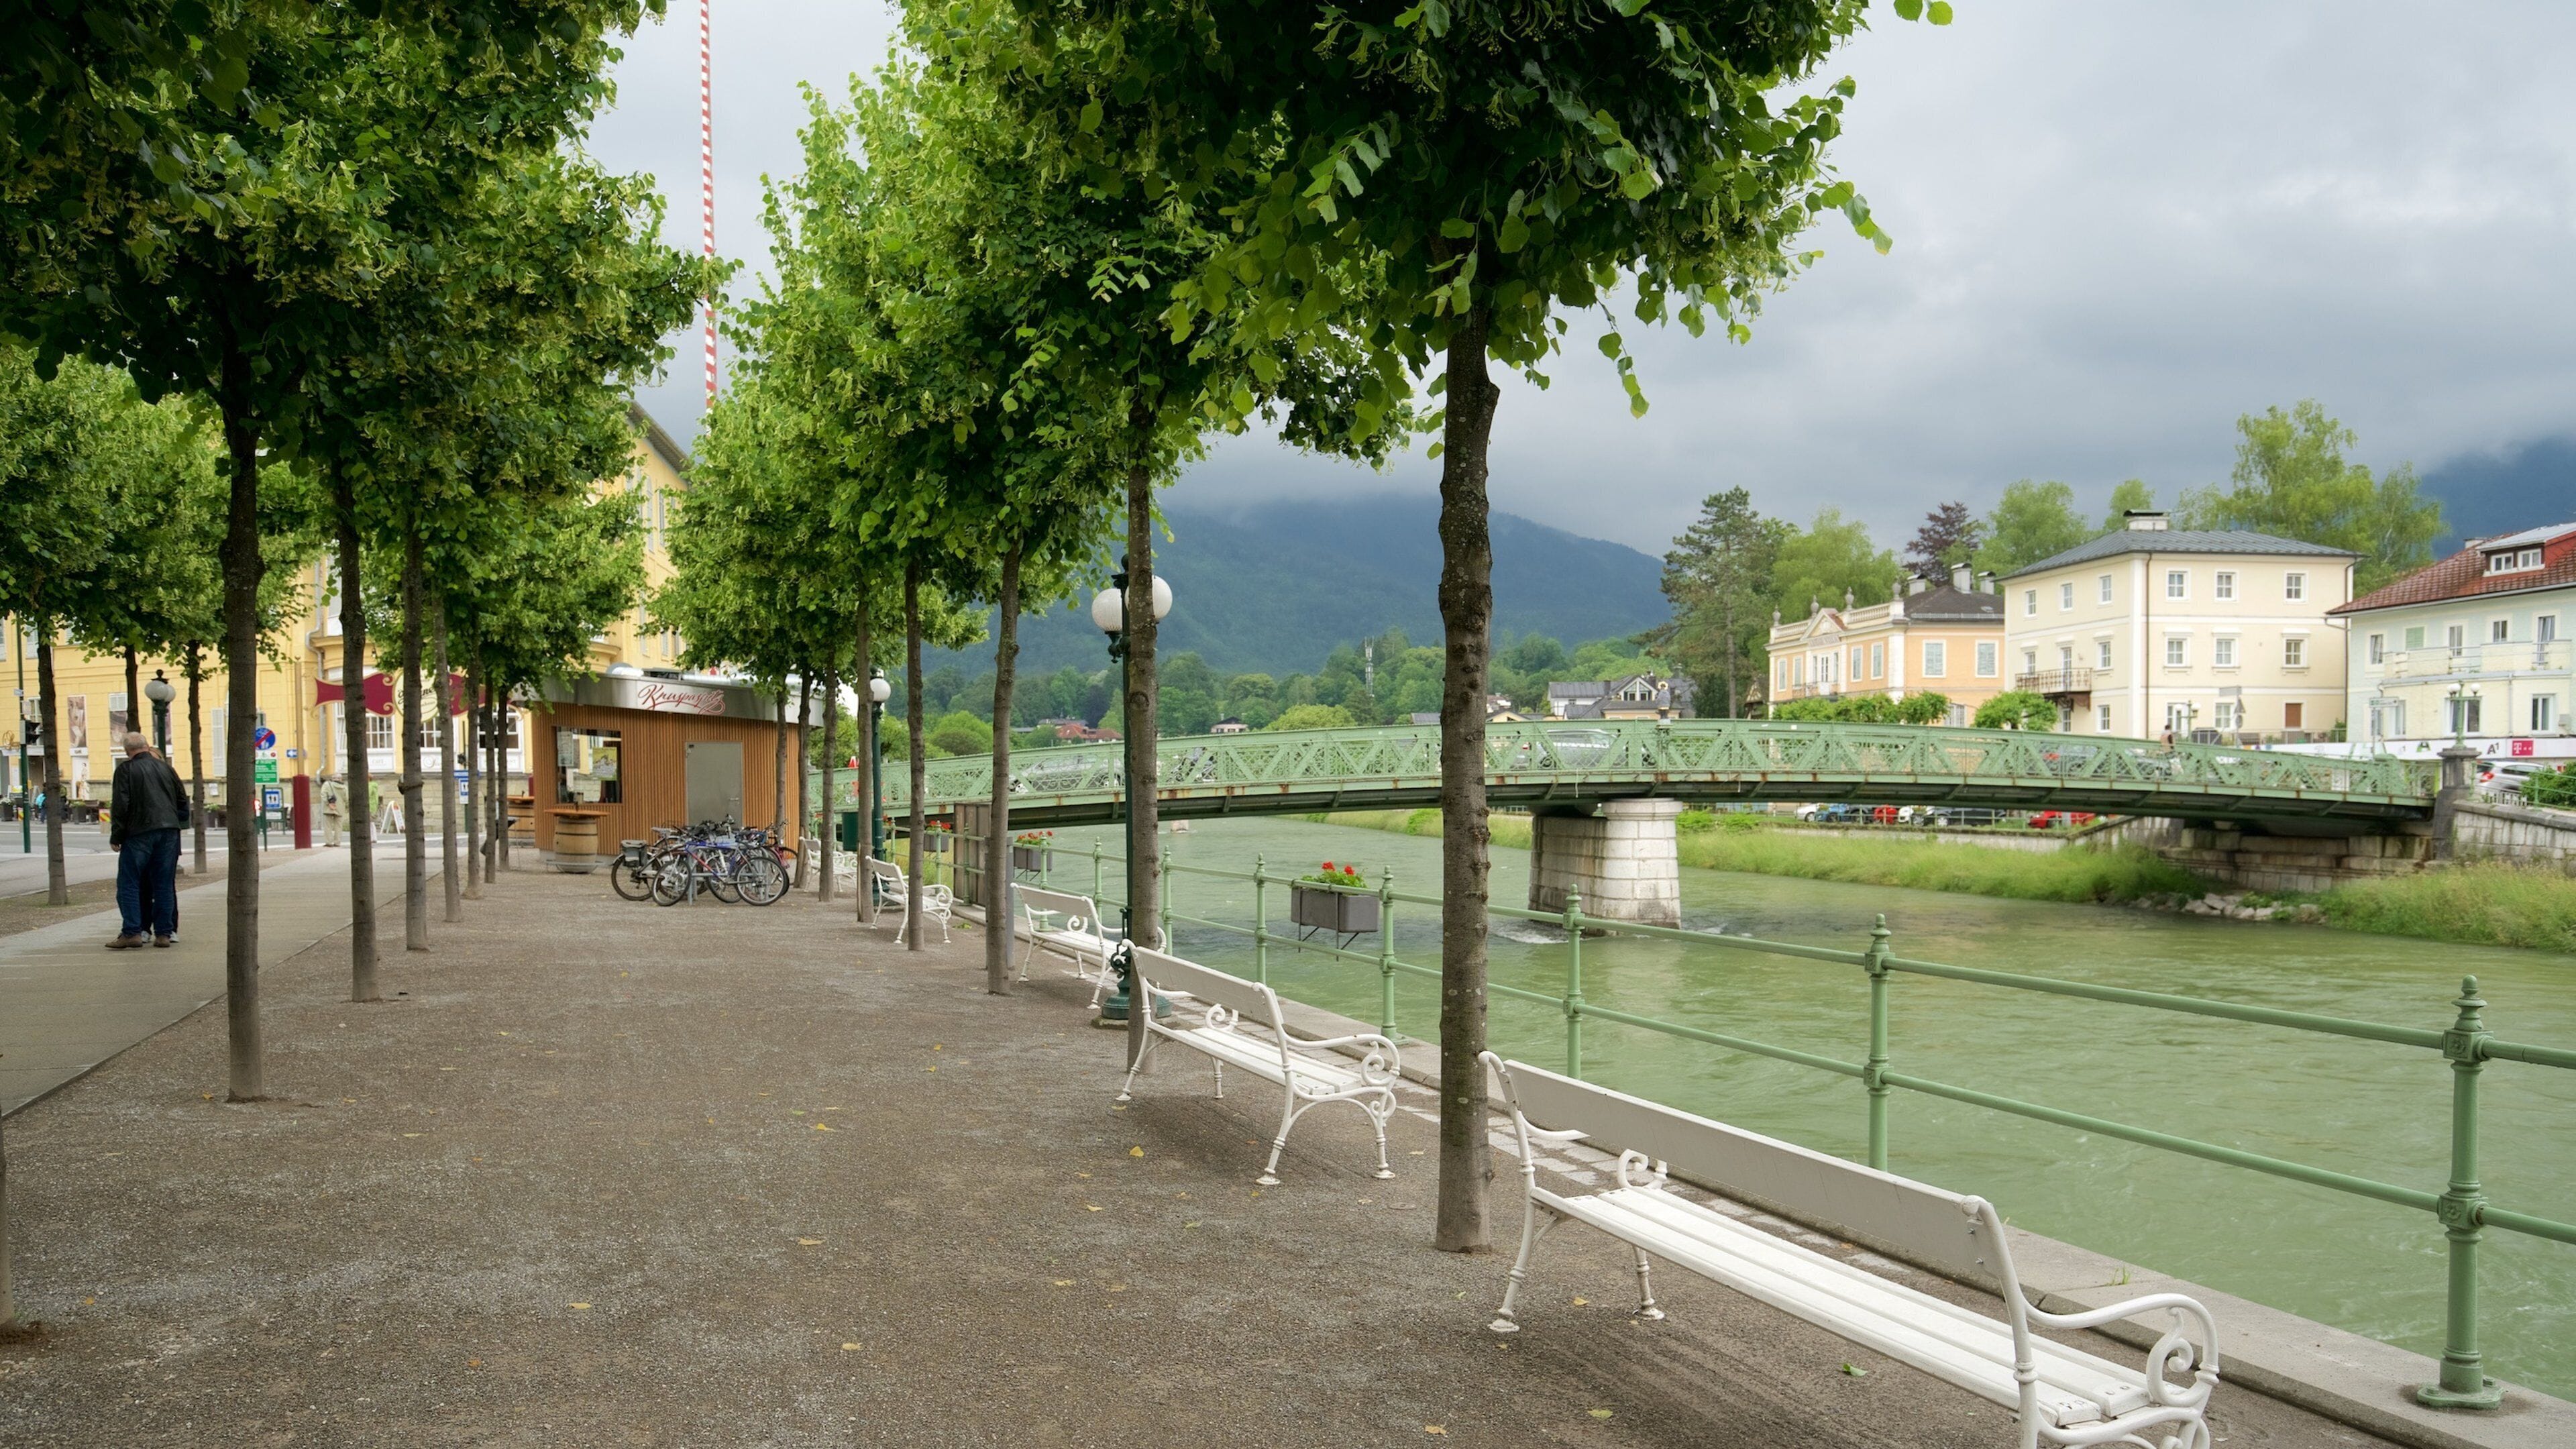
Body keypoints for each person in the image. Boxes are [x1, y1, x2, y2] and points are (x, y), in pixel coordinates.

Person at [107, 731, 189, 949]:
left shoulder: (126, 770)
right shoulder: (166, 768)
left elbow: (121, 805)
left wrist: (117, 835)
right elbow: (182, 800)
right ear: (147, 745)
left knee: (129, 882)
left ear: (126, 751)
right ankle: (164, 933)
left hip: (139, 831)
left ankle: (132, 931)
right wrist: (175, 821)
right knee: (163, 884)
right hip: (169, 831)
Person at [318, 773, 348, 847]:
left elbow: (323, 795)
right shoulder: (344, 787)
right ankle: (337, 842)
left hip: (329, 807)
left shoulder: (327, 785)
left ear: (332, 778)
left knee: (328, 826)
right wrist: (346, 807)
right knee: (338, 826)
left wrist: (328, 804)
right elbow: (347, 798)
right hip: (340, 808)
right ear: (341, 779)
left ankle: (329, 842)